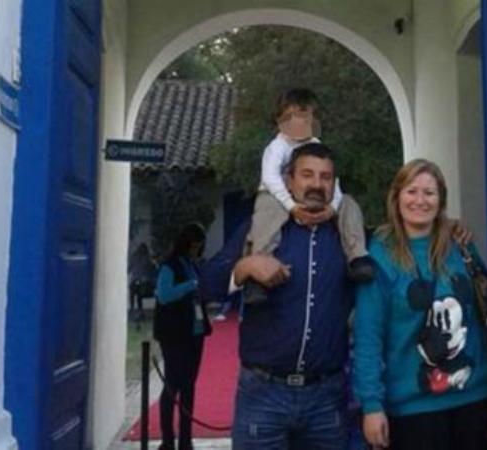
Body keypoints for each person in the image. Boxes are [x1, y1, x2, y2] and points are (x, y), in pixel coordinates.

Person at [204, 142, 353, 449]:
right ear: (289, 181)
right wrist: (245, 267)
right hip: (263, 395)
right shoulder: (260, 227)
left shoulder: (347, 234)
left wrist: (449, 230)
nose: (316, 184)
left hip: (327, 399)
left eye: (325, 177)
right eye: (307, 175)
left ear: (334, 185)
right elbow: (207, 284)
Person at [353, 159, 487, 450]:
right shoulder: (380, 256)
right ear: (396, 197)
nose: (420, 200)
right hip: (413, 408)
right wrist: (371, 404)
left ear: (441, 200)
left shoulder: (460, 245)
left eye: (429, 193)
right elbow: (368, 337)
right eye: (411, 191)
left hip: (474, 397)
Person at [243, 88, 374, 304]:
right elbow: (270, 178)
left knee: (349, 205)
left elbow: (334, 182)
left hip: (311, 198)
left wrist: (333, 207)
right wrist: (291, 206)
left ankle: (357, 256)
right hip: (275, 194)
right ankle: (259, 267)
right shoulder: (277, 147)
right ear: (280, 121)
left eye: (305, 117)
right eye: (291, 117)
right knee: (267, 216)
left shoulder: (316, 145)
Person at [153, 223, 212, 450]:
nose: (197, 249)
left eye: (200, 245)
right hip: (174, 335)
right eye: (195, 244)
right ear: (186, 242)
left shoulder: (192, 264)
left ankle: (186, 441)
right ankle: (168, 440)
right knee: (172, 386)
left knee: (189, 387)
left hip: (195, 333)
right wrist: (190, 285)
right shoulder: (170, 266)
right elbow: (164, 295)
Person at [128, 242, 157, 322]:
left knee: (135, 294)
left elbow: (129, 268)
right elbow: (151, 268)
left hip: (138, 281)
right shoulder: (145, 257)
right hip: (141, 281)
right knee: (137, 295)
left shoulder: (137, 257)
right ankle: (137, 311)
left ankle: (134, 310)